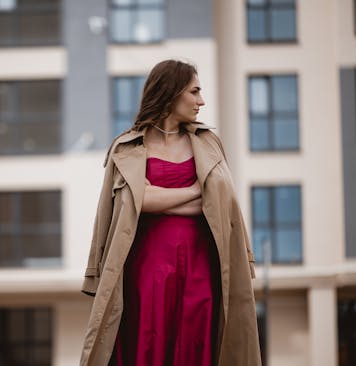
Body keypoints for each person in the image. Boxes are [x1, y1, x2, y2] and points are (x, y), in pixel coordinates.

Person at [80, 59, 262, 366]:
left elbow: (219, 203)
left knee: (198, 344)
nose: (201, 101)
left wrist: (161, 196)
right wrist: (194, 190)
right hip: (146, 270)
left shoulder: (209, 144)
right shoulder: (126, 148)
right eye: (194, 91)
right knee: (147, 342)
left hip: (202, 267)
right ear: (171, 92)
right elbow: (138, 200)